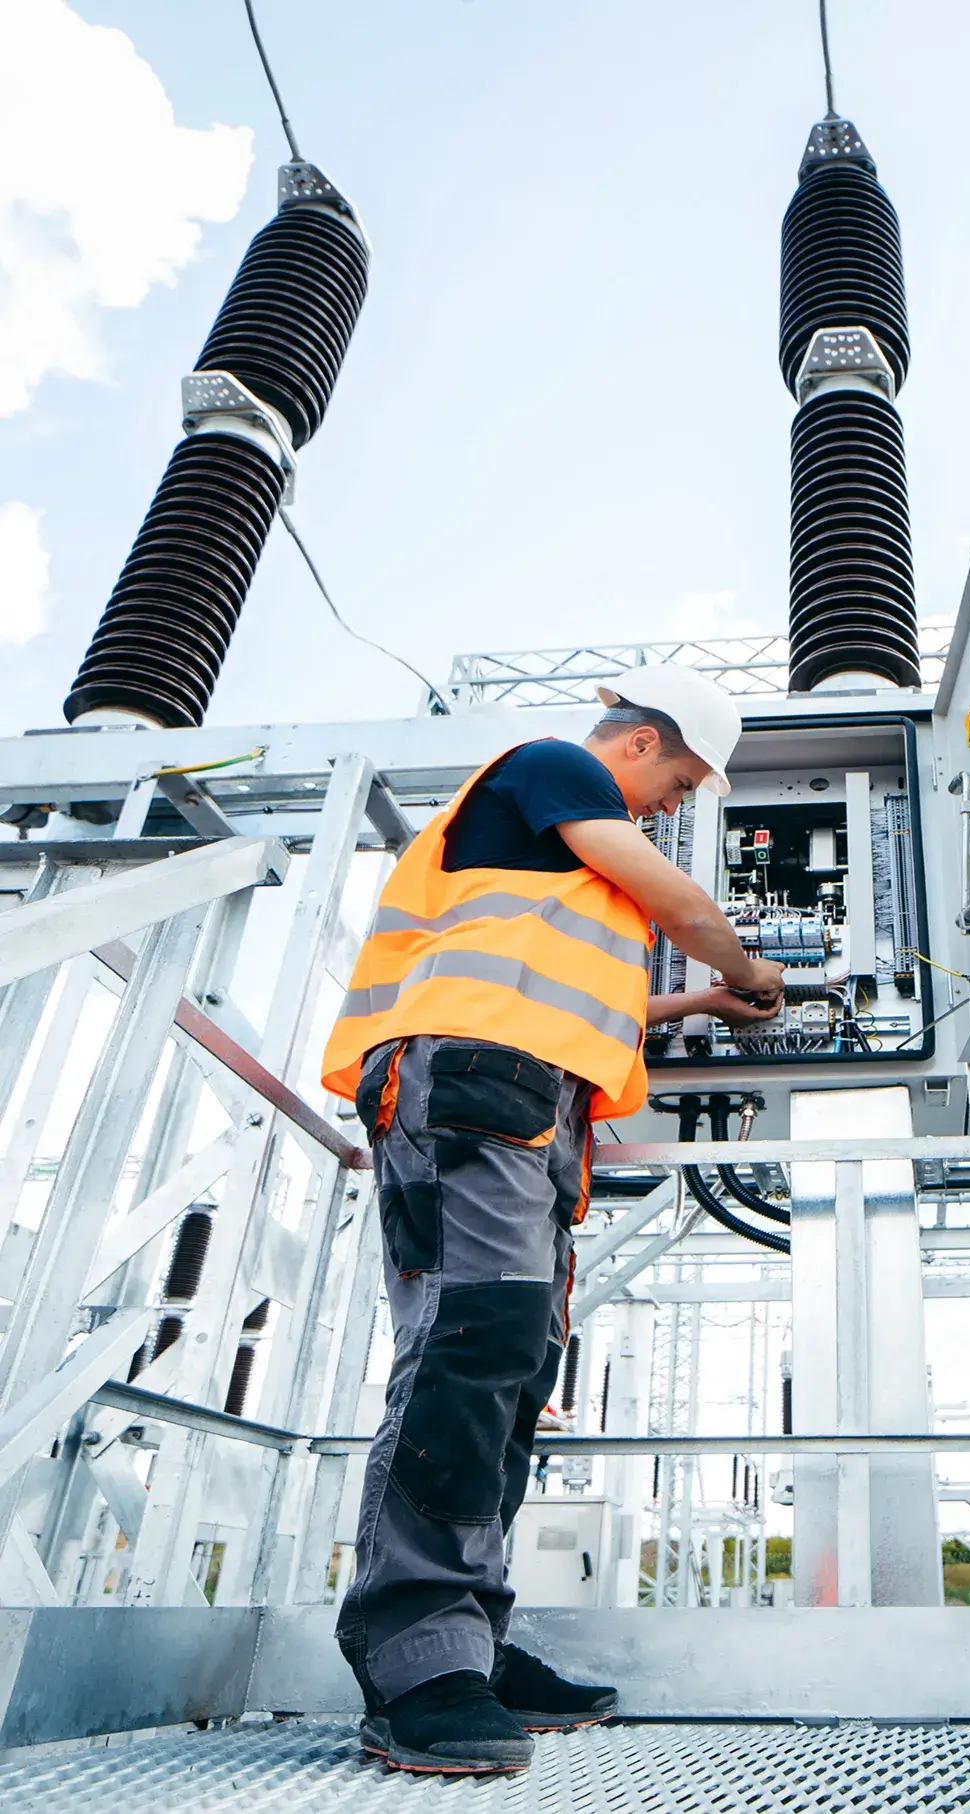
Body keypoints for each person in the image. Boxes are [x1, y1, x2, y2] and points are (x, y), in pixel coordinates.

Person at [320, 663, 782, 1776]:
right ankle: (414, 1656)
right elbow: (679, 903)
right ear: (636, 743)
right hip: (470, 1077)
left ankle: (465, 1636)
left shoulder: (560, 862)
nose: (671, 806)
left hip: (525, 1097)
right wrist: (746, 967)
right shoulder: (559, 766)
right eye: (675, 779)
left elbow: (596, 994)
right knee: (470, 1340)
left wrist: (701, 1000)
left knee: (517, 1358)